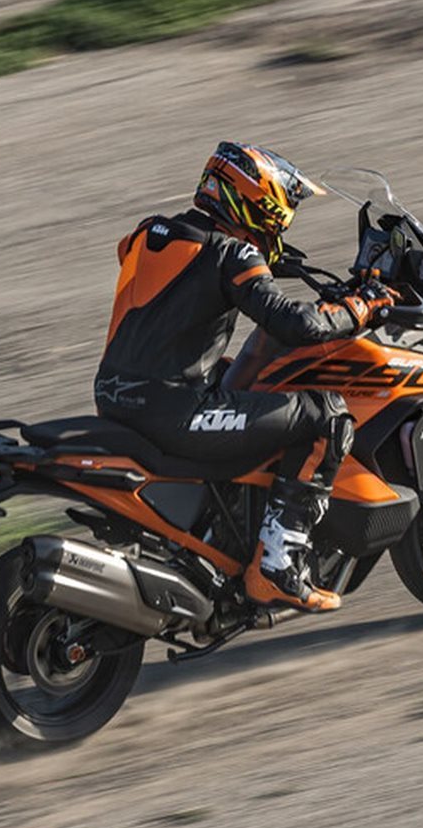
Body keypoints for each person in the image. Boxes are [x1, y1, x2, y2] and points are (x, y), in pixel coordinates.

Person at [93, 142, 395, 613]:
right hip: (173, 412)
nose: (284, 223)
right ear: (258, 202)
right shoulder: (232, 253)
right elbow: (296, 326)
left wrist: (262, 270)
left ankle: (224, 529)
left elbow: (179, 284)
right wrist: (362, 306)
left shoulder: (150, 233)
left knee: (240, 376)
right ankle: (277, 566)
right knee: (326, 416)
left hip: (115, 397)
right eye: (282, 210)